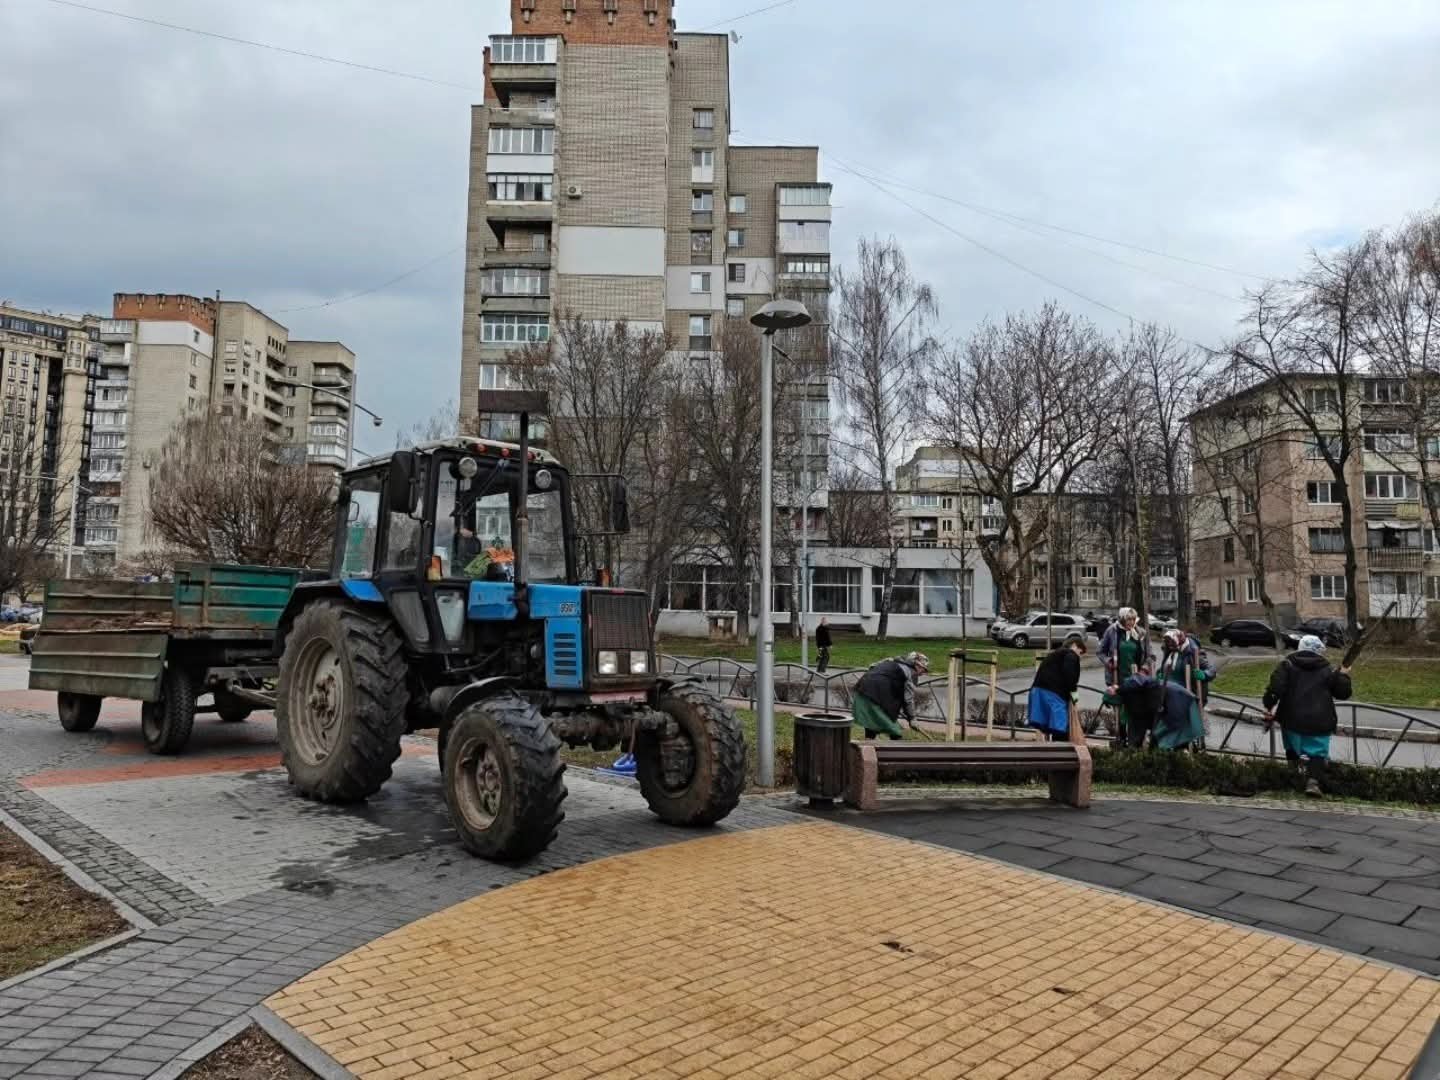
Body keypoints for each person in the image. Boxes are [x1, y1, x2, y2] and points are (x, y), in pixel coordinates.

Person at [1263, 634, 1353, 796]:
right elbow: (1343, 693)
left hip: (1291, 717)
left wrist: (1269, 705)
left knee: (1291, 747)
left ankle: (1293, 777)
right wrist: (1343, 675)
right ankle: (1313, 782)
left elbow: (1275, 688)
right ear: (1319, 651)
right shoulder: (1328, 670)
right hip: (1320, 719)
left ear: (1300, 648)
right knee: (1317, 752)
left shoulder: (1287, 665)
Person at [852, 652, 929, 740]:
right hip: (873, 698)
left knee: (871, 727)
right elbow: (908, 699)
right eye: (923, 669)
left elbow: (872, 667)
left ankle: (868, 745)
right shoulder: (911, 674)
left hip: (861, 692)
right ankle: (893, 748)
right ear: (917, 665)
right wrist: (912, 718)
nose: (923, 673)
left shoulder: (890, 661)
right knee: (895, 732)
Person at [1028, 638, 1086, 742]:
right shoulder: (1071, 655)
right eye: (1080, 652)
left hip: (1038, 691)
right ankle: (1061, 749)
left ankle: (1052, 748)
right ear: (1074, 645)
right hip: (1054, 694)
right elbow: (1070, 677)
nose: (1080, 656)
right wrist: (1075, 697)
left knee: (1048, 726)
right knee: (1060, 728)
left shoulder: (1054, 655)